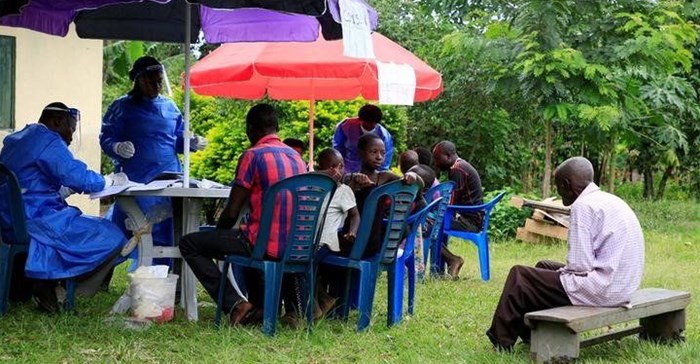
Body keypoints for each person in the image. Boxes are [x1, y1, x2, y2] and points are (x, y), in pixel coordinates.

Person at [486, 156, 645, 351]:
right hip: (622, 286)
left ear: (567, 184)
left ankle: (500, 342)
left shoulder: (583, 206)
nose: (559, 194)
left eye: (558, 187)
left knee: (520, 276)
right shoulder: (610, 200)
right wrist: (556, 274)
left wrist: (561, 274)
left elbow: (580, 266)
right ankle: (532, 332)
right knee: (544, 266)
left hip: (604, 290)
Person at [178, 103, 307, 325]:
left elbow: (231, 212)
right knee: (245, 234)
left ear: (250, 129)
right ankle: (259, 307)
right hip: (296, 245)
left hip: (264, 245)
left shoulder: (252, 155)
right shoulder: (296, 157)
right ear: (276, 127)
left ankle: (236, 304)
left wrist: (218, 238)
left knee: (191, 244)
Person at [0, 102, 129, 313]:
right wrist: (110, 181)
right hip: (38, 218)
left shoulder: (18, 138)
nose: (70, 138)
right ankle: (67, 287)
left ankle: (50, 285)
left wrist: (61, 191)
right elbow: (79, 177)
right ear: (57, 121)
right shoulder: (48, 141)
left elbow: (27, 182)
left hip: (11, 218)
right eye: (70, 130)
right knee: (112, 233)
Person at [100, 56, 208, 268]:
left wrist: (191, 143)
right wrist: (116, 146)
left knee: (165, 228)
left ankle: (161, 274)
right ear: (138, 80)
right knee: (130, 226)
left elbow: (177, 141)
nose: (157, 86)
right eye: (151, 81)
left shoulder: (169, 107)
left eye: (159, 81)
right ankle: (105, 270)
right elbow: (106, 137)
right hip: (137, 180)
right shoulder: (122, 107)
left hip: (168, 177)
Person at [313, 148, 360, 317]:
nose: (336, 171)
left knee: (306, 264)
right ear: (320, 169)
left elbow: (355, 216)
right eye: (331, 167)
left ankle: (311, 308)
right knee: (305, 266)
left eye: (340, 167)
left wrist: (352, 232)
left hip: (327, 241)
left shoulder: (343, 190)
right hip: (309, 240)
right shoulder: (313, 188)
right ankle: (322, 300)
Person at [433, 140, 483, 279]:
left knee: (429, 227)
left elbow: (451, 203)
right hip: (471, 218)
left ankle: (452, 260)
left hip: (470, 222)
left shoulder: (458, 170)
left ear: (448, 156)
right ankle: (441, 267)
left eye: (438, 158)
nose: (436, 163)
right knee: (433, 224)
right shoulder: (460, 166)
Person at [332, 104, 394, 173]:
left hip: (372, 173)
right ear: (360, 119)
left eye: (373, 123)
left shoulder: (384, 135)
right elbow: (338, 148)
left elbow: (385, 159)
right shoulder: (345, 126)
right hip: (348, 171)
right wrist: (339, 168)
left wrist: (378, 177)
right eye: (367, 122)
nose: (369, 125)